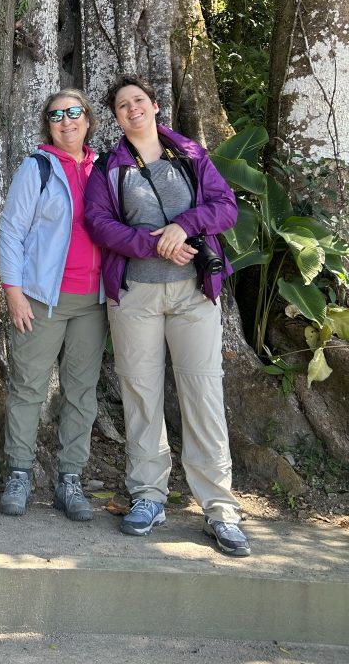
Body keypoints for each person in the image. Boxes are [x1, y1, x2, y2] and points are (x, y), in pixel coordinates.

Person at [84, 74, 251, 556]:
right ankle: (148, 495)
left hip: (193, 295)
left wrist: (183, 225)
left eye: (138, 101)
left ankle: (219, 507)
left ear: (155, 106)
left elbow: (224, 208)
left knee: (202, 392)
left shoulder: (190, 155)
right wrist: (154, 243)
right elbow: (99, 223)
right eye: (122, 105)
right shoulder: (110, 167)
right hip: (136, 295)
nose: (132, 109)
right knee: (140, 392)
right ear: (116, 117)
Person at [0, 88, 108, 521]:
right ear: (49, 124)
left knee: (81, 391)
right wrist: (13, 291)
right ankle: (20, 473)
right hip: (42, 298)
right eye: (57, 115)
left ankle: (70, 480)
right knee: (28, 386)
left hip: (93, 302)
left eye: (74, 112)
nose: (67, 121)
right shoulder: (37, 167)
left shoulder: (104, 168)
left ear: (88, 119)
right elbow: (10, 231)